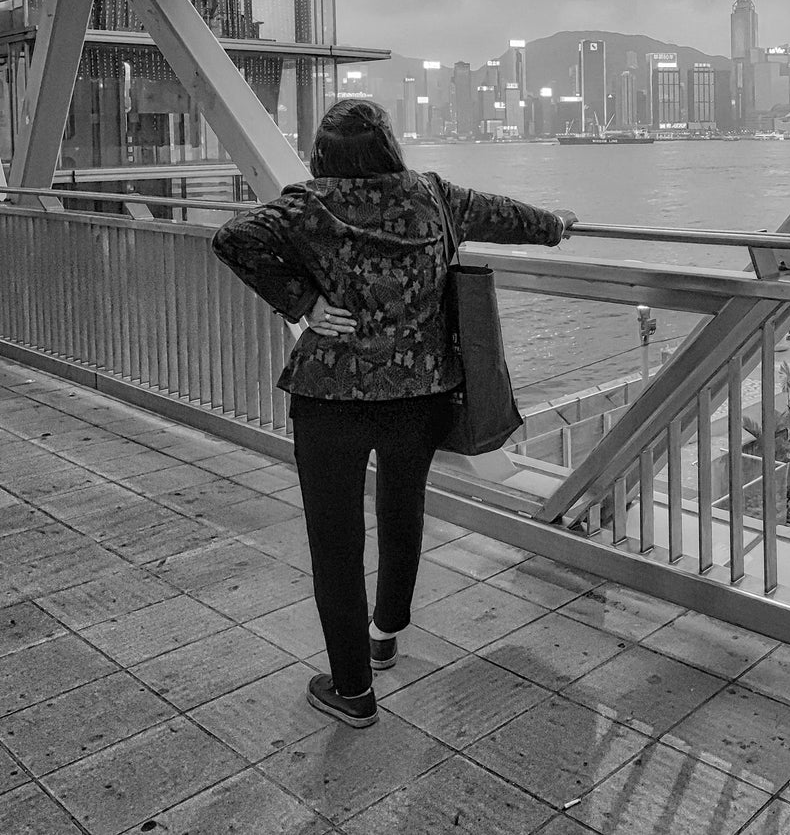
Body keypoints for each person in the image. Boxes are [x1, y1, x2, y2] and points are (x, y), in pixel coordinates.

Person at [211, 100, 574, 730]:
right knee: (402, 513)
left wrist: (302, 301)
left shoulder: (307, 206)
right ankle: (385, 634)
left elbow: (231, 237)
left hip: (331, 398)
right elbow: (507, 215)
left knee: (335, 543)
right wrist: (558, 224)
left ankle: (351, 690)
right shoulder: (433, 196)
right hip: (419, 395)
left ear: (325, 153)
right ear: (388, 145)